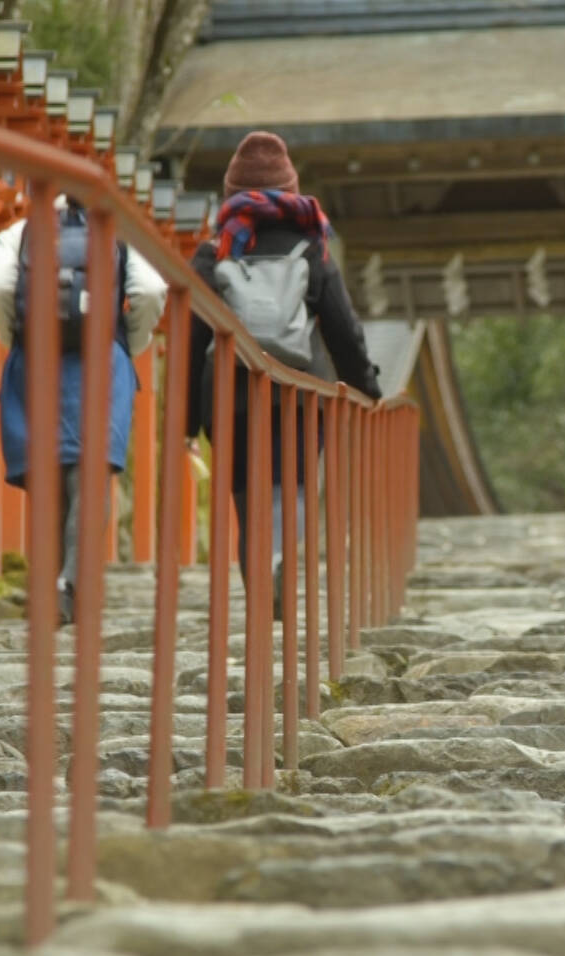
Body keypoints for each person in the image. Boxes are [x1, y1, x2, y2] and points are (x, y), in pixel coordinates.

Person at [186, 131, 382, 617]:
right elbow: (343, 330)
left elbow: (192, 339)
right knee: (290, 489)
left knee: (245, 500)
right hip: (299, 390)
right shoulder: (311, 249)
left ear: (232, 193)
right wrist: (367, 390)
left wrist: (187, 422)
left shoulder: (216, 252)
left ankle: (260, 598)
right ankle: (281, 567)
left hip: (231, 394)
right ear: (291, 190)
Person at [0, 194, 169, 622]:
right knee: (91, 472)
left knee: (48, 474)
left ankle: (52, 588)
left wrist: (17, 337)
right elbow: (152, 290)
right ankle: (71, 581)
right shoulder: (118, 226)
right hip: (103, 361)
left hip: (37, 360)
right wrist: (126, 343)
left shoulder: (23, 229)